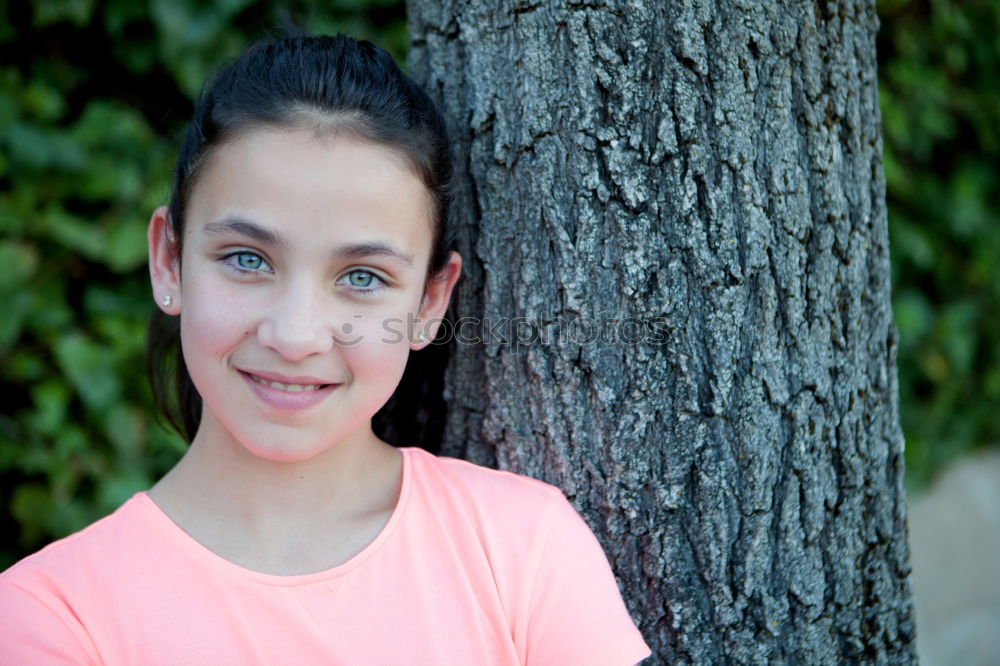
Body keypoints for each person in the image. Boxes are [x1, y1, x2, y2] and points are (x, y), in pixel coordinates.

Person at [0, 34, 651, 665]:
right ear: (169, 261)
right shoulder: (54, 615)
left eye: (362, 277)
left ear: (429, 303)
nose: (295, 335)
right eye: (247, 259)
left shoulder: (522, 550)